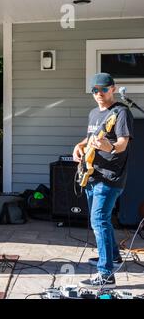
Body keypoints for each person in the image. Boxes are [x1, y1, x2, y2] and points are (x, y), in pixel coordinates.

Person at [73, 73, 133, 288]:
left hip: (110, 177)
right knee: (101, 220)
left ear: (113, 89)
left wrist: (111, 147)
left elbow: (123, 142)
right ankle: (113, 257)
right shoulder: (93, 113)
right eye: (95, 90)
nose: (99, 93)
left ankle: (106, 274)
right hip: (91, 173)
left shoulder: (121, 112)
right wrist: (78, 147)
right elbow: (90, 137)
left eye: (104, 89)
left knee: (98, 221)